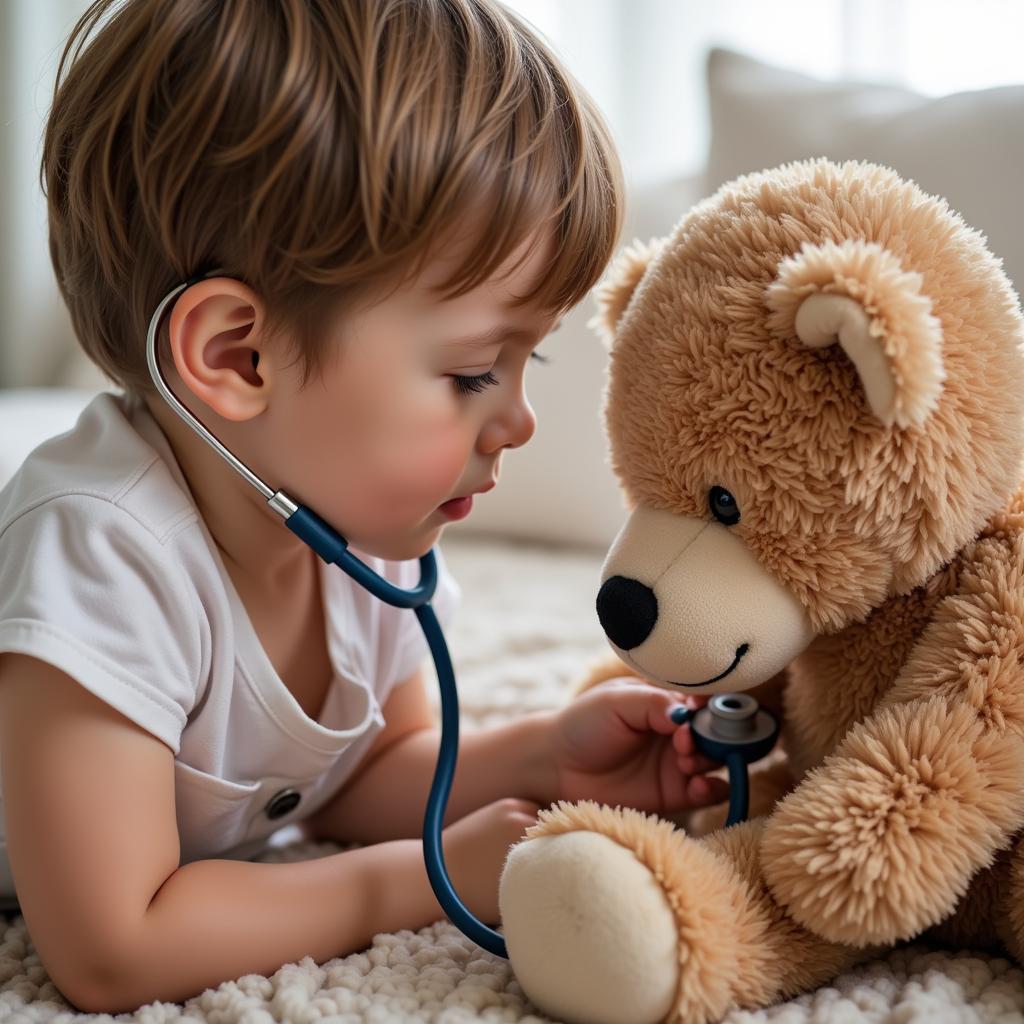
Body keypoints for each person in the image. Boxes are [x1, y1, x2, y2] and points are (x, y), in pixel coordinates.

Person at [0, 0, 731, 1013]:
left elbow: (366, 770)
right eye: (475, 371)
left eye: (528, 360)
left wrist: (545, 754)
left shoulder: (367, 527)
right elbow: (111, 945)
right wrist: (422, 879)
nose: (516, 420)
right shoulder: (101, 550)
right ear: (237, 356)